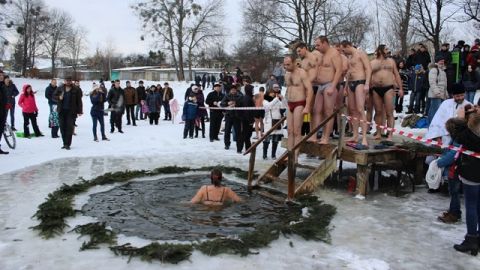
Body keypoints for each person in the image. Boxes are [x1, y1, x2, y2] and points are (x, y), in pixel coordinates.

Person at [453, 107, 480, 255]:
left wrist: (461, 118)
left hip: (472, 170)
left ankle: (471, 239)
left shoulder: (473, 124)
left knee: (471, 205)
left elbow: (460, 137)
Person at [340, 40, 372, 147]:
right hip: (350, 83)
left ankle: (363, 137)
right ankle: (355, 135)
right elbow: (349, 73)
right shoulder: (349, 57)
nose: (344, 52)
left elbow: (368, 69)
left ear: (348, 46)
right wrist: (345, 87)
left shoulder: (360, 53)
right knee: (352, 110)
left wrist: (367, 84)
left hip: (360, 82)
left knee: (360, 109)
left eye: (344, 50)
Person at [312, 36, 343, 144]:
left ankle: (325, 137)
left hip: (329, 84)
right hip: (320, 85)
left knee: (328, 112)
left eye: (318, 45)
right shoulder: (321, 54)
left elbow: (339, 70)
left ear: (325, 43)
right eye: (316, 45)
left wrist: (333, 86)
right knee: (316, 110)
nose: (317, 47)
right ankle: (314, 135)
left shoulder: (334, 53)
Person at [370, 44, 404, 141]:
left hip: (388, 88)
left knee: (389, 112)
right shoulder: (373, 62)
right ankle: (379, 132)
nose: (388, 51)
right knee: (378, 112)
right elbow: (368, 75)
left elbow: (397, 75)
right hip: (376, 88)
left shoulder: (391, 61)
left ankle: (390, 134)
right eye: (386, 49)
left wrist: (400, 88)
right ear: (380, 51)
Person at [284, 55, 313, 161]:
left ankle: (295, 156)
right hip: (290, 103)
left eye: (288, 64)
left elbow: (310, 90)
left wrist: (307, 106)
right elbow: (288, 89)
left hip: (299, 103)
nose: (286, 67)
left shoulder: (302, 73)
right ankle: (290, 153)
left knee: (297, 130)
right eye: (285, 65)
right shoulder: (286, 74)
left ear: (294, 63)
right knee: (289, 131)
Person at [436, 118, 464, 223]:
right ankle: (453, 210)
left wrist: (440, 162)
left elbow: (453, 154)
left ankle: (454, 213)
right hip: (457, 168)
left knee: (454, 191)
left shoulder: (458, 139)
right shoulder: (459, 137)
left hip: (455, 168)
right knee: (454, 191)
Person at [53, 77, 83, 150]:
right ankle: (64, 143)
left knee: (69, 128)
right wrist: (59, 97)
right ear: (64, 81)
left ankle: (67, 144)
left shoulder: (76, 89)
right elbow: (53, 96)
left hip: (71, 111)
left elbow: (79, 101)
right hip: (61, 111)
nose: (68, 82)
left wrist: (80, 111)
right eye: (66, 80)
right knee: (62, 127)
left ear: (71, 81)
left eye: (69, 81)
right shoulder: (60, 88)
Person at [263, 88, 286, 159]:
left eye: (274, 93)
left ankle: (273, 155)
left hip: (277, 122)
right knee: (266, 140)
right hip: (269, 123)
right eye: (271, 93)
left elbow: (284, 107)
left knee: (275, 141)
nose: (273, 94)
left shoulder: (277, 100)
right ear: (268, 93)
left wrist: (283, 99)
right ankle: (265, 155)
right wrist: (276, 99)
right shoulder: (265, 100)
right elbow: (269, 106)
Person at [220, 84, 243, 150]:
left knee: (238, 132)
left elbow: (243, 104)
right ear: (230, 90)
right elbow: (222, 104)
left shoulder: (240, 96)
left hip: (237, 116)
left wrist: (236, 104)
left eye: (234, 90)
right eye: (232, 90)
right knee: (227, 131)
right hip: (228, 116)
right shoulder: (227, 96)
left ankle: (239, 147)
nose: (233, 91)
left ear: (236, 90)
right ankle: (227, 144)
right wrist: (227, 103)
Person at [427, 57, 448, 126]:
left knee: (438, 111)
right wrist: (437, 92)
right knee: (434, 112)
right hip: (436, 94)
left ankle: (435, 126)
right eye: (440, 61)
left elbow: (444, 85)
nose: (442, 62)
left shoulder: (443, 71)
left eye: (443, 61)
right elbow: (432, 82)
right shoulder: (434, 70)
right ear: (437, 62)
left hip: (442, 94)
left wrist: (446, 94)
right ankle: (432, 126)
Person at [238, 84, 255, 153]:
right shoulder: (247, 98)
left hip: (246, 119)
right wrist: (250, 120)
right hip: (247, 119)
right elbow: (248, 111)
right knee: (245, 134)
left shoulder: (248, 97)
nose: (253, 91)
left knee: (247, 134)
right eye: (252, 89)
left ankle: (248, 148)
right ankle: (240, 148)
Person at [0, 69, 8, 154]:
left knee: (1, 130)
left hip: (3, 111)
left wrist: (6, 104)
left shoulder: (2, 85)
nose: (2, 77)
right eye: (0, 75)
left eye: (2, 75)